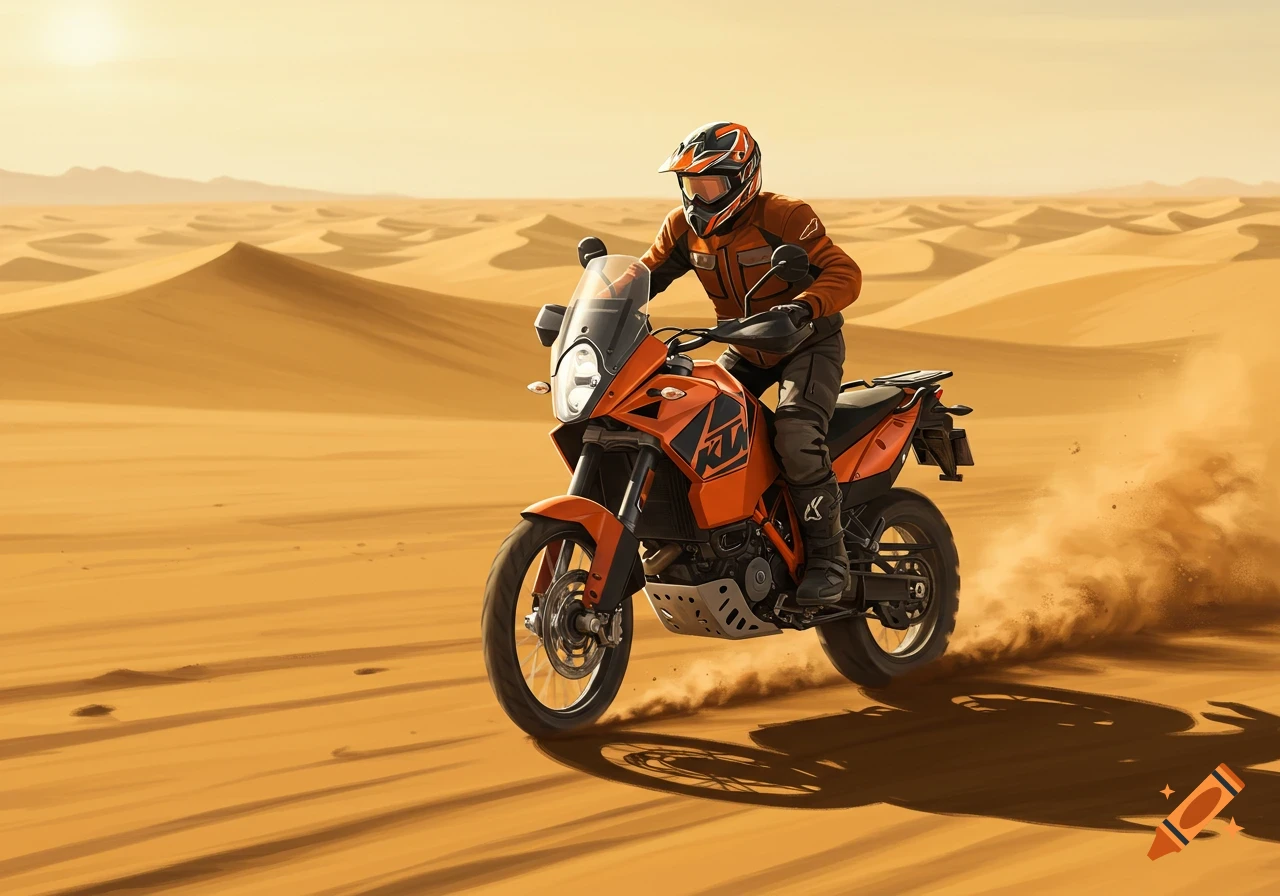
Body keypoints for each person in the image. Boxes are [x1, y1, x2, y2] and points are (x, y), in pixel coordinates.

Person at [640, 121, 863, 606]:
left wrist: (804, 306)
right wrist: (598, 304)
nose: (698, 197)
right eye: (691, 185)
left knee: (796, 434)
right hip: (743, 348)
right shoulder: (681, 229)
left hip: (807, 344)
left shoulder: (783, 216)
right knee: (690, 422)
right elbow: (644, 277)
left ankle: (830, 558)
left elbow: (844, 272)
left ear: (743, 179)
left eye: (710, 184)